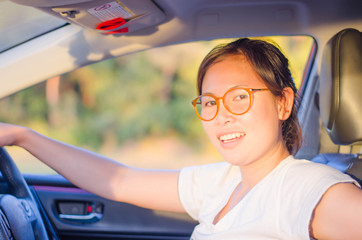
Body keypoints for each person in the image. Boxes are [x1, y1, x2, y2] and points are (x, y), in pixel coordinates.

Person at [0, 38, 361, 239]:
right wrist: (22, 136)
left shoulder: (307, 188)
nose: (221, 116)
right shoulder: (225, 181)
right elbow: (120, 181)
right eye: (209, 102)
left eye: (240, 97)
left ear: (283, 103)